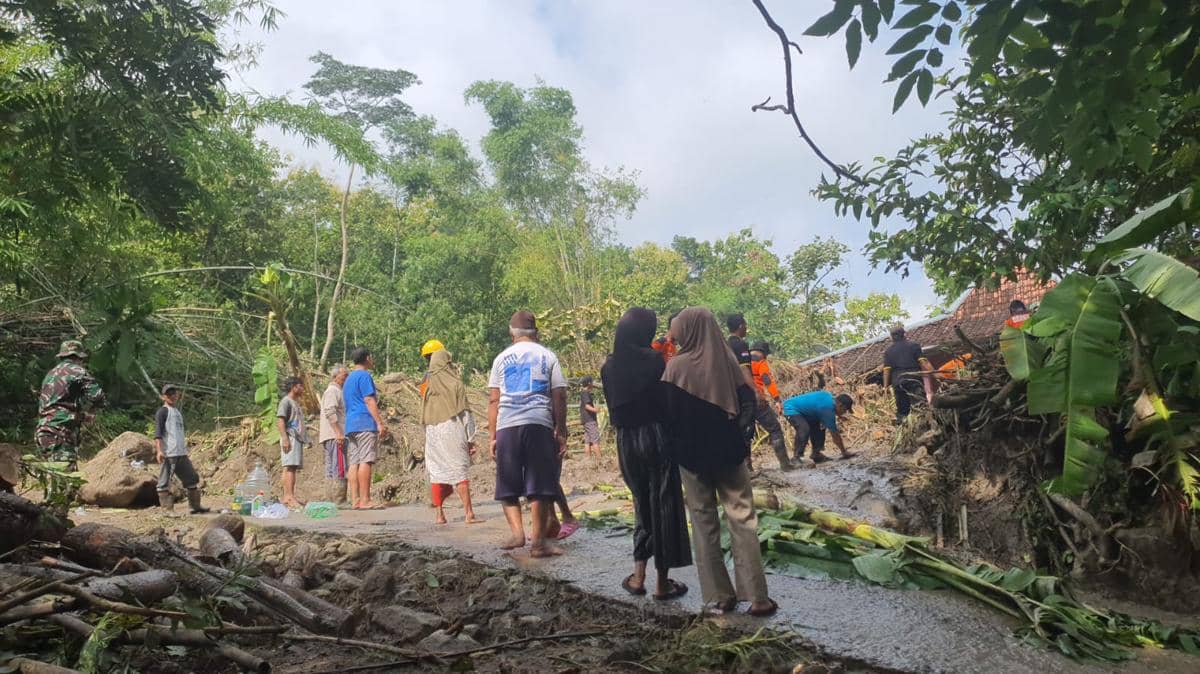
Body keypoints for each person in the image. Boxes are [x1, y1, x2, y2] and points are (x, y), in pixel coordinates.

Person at [663, 307, 777, 617]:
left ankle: (720, 597)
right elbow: (749, 400)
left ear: (686, 330)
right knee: (742, 519)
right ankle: (758, 598)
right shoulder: (728, 361)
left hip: (692, 458)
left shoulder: (675, 368)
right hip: (729, 452)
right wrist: (741, 438)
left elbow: (668, 419)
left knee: (703, 524)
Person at [601, 308, 691, 600]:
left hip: (626, 441)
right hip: (654, 436)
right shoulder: (653, 360)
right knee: (663, 504)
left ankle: (638, 577)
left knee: (642, 504)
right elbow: (665, 402)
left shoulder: (608, 367)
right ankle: (662, 584)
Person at [487, 310, 569, 557]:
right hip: (538, 423)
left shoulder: (500, 359)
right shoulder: (547, 356)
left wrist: (492, 435)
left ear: (512, 333)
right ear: (536, 333)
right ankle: (538, 543)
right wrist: (561, 429)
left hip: (507, 425)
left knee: (508, 482)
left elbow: (494, 400)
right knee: (540, 484)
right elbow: (559, 395)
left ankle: (517, 534)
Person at [36, 340, 105, 505]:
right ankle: (56, 523)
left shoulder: (51, 373)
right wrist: (91, 412)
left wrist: (81, 415)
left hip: (43, 432)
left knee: (55, 479)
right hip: (60, 432)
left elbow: (55, 404)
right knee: (67, 484)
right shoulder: (77, 371)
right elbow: (98, 395)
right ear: (79, 358)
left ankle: (48, 518)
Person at [420, 347, 483, 525]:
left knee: (437, 472)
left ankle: (440, 515)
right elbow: (465, 414)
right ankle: (469, 514)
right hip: (453, 430)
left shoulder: (427, 387)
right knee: (459, 470)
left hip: (432, 434)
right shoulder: (456, 384)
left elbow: (423, 415)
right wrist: (471, 439)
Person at [153, 384, 210, 514]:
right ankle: (167, 510)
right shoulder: (163, 412)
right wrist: (159, 451)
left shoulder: (177, 412)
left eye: (174, 393)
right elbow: (158, 433)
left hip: (181, 453)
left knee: (191, 479)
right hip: (169, 453)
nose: (172, 396)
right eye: (169, 394)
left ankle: (194, 506)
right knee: (164, 482)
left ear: (178, 395)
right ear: (163, 397)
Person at [344, 347, 388, 510]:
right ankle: (365, 500)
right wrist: (379, 423)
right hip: (364, 422)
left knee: (354, 462)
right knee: (366, 460)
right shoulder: (364, 376)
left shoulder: (348, 379)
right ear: (367, 358)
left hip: (350, 424)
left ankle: (355, 499)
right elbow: (369, 399)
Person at [749, 341, 793, 471]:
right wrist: (777, 400)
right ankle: (785, 465)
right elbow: (767, 381)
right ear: (764, 353)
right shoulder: (760, 362)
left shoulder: (741, 360)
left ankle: (748, 469)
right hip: (758, 402)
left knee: (745, 435)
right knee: (775, 429)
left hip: (742, 403)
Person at [725, 312, 761, 468]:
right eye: (745, 325)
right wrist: (756, 391)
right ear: (741, 326)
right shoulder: (740, 345)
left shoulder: (725, 344)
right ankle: (746, 465)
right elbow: (744, 371)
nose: (746, 328)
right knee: (746, 428)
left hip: (731, 393)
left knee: (736, 427)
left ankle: (740, 463)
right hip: (744, 393)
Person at [782, 391, 855, 463]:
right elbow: (835, 435)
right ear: (840, 405)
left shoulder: (830, 400)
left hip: (806, 412)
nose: (844, 413)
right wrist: (844, 452)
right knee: (804, 429)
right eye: (844, 410)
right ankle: (796, 457)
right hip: (791, 408)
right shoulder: (827, 409)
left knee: (821, 425)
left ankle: (816, 454)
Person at [882, 325, 932, 424]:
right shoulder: (914, 345)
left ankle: (905, 432)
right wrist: (937, 375)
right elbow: (924, 363)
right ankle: (926, 426)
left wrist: (885, 387)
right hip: (914, 380)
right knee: (921, 407)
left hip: (898, 383)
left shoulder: (888, 351)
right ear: (904, 334)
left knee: (903, 412)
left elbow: (886, 371)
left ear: (891, 337)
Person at [319, 364, 351, 507]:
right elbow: (330, 412)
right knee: (339, 466)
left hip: (332, 435)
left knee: (332, 466)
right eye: (344, 375)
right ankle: (338, 500)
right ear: (336, 376)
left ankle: (332, 500)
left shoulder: (336, 391)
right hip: (334, 435)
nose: (346, 378)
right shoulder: (333, 391)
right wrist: (338, 432)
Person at [276, 376, 308, 509]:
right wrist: (285, 438)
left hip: (295, 438)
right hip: (290, 437)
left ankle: (287, 496)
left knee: (290, 467)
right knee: (290, 467)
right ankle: (289, 496)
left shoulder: (295, 402)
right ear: (294, 387)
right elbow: (280, 420)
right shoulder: (286, 402)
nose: (302, 388)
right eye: (300, 386)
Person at [579, 376, 601, 458]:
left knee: (587, 441)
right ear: (589, 383)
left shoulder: (583, 393)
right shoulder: (585, 393)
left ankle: (588, 460)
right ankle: (600, 460)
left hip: (586, 420)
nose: (593, 383)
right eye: (592, 382)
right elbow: (587, 406)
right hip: (590, 420)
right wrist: (595, 410)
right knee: (595, 440)